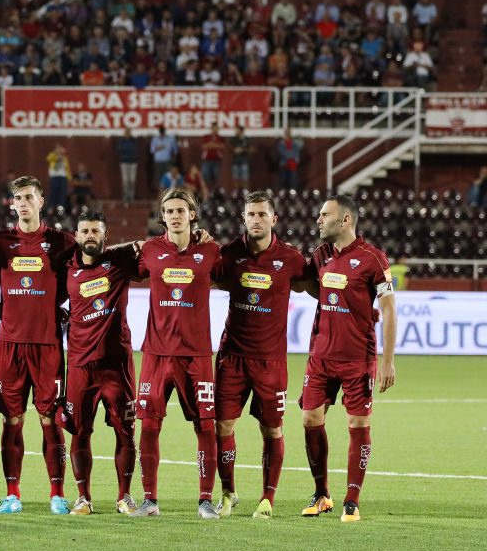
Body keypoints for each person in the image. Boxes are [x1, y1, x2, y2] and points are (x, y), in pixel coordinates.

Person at [0, 176, 77, 514]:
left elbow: (94, 258)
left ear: (41, 201)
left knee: (50, 419)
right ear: (12, 203)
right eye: (18, 197)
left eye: (29, 197)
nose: (23, 202)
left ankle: (57, 495)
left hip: (47, 344)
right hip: (11, 346)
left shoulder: (61, 242)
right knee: (11, 419)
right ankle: (12, 494)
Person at [296, 195, 397, 523]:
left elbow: (389, 309)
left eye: (325, 215)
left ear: (346, 221)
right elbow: (310, 285)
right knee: (310, 419)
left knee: (357, 423)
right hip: (321, 355)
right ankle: (321, 493)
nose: (319, 220)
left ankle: (351, 500)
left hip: (358, 359)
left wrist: (387, 361)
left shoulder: (373, 259)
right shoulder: (320, 255)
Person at [212, 191, 307, 519]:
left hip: (270, 362)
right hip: (231, 357)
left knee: (271, 429)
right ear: (243, 218)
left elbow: (315, 286)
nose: (256, 220)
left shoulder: (292, 260)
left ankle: (267, 497)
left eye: (262, 215)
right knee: (223, 426)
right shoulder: (227, 256)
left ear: (273, 219)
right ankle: (227, 493)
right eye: (250, 214)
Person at [129, 188, 222, 520]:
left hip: (196, 354)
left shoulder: (211, 252)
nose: (175, 215)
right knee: (149, 425)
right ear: (162, 216)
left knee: (205, 426)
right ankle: (150, 500)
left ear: (192, 214)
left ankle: (205, 500)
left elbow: (237, 278)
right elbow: (114, 267)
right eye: (169, 210)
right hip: (156, 353)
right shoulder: (149, 250)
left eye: (181, 210)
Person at [62, 210, 139, 516]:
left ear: (105, 236)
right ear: (76, 236)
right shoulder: (64, 269)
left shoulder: (120, 263)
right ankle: (83, 498)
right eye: (85, 231)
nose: (90, 235)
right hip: (80, 365)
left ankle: (124, 497)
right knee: (80, 432)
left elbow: (155, 251)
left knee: (125, 432)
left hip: (117, 366)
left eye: (96, 231)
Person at [115, 128, 139, 201]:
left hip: (133, 162)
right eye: (126, 132)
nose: (127, 134)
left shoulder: (134, 140)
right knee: (125, 180)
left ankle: (131, 196)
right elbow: (118, 149)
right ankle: (125, 196)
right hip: (124, 162)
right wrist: (127, 149)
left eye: (129, 132)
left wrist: (127, 149)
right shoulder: (121, 141)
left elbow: (135, 149)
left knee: (132, 180)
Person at [45, 144, 70, 210]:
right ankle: (50, 208)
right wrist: (58, 156)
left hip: (63, 177)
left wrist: (69, 177)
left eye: (60, 148)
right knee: (53, 192)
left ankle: (61, 209)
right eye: (58, 148)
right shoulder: (52, 155)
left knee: (62, 194)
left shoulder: (64, 158)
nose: (59, 150)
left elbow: (67, 168)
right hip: (54, 177)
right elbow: (48, 158)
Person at [200, 124, 224, 189]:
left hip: (216, 160)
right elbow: (204, 146)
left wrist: (211, 145)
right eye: (214, 128)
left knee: (216, 176)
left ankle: (214, 191)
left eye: (217, 128)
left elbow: (221, 146)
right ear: (212, 129)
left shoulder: (220, 137)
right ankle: (207, 190)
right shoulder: (206, 137)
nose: (215, 130)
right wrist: (215, 145)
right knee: (205, 175)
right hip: (207, 159)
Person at [230, 125, 251, 190]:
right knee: (236, 179)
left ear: (241, 131)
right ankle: (236, 193)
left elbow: (251, 149)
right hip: (235, 161)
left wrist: (242, 150)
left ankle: (245, 193)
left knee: (245, 179)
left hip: (244, 161)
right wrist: (235, 150)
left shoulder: (247, 139)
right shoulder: (233, 139)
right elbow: (230, 148)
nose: (236, 131)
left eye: (237, 130)